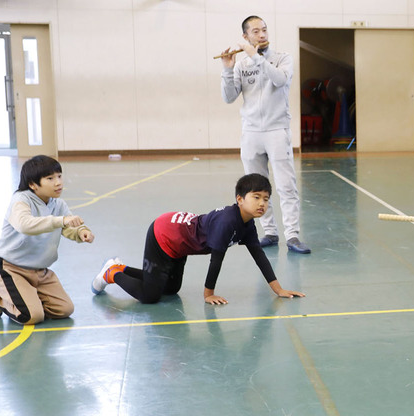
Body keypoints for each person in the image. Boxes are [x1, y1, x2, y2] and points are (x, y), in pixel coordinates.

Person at [90, 173, 305, 305]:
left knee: (171, 289)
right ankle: (112, 273)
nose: (262, 203)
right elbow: (216, 261)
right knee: (150, 296)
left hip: (179, 246)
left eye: (266, 199)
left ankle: (119, 266)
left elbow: (259, 255)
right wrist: (208, 294)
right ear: (239, 199)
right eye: (256, 197)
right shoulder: (227, 222)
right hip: (163, 234)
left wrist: (278, 289)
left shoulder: (247, 223)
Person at [220, 15, 310, 254]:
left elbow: (279, 80)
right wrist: (227, 70)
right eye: (256, 32)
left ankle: (292, 236)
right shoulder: (241, 65)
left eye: (264, 30)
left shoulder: (282, 59)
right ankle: (269, 231)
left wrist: (254, 55)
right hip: (251, 133)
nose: (262, 35)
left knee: (286, 186)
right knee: (256, 188)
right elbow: (229, 97)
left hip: (276, 130)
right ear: (245, 36)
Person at [0, 155, 94, 325]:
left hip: (40, 270)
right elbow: (25, 225)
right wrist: (61, 221)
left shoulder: (57, 204)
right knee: (31, 316)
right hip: (11, 267)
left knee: (64, 309)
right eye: (50, 178)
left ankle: (25, 295)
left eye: (59, 176)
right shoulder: (21, 200)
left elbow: (68, 226)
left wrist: (82, 232)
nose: (58, 182)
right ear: (32, 184)